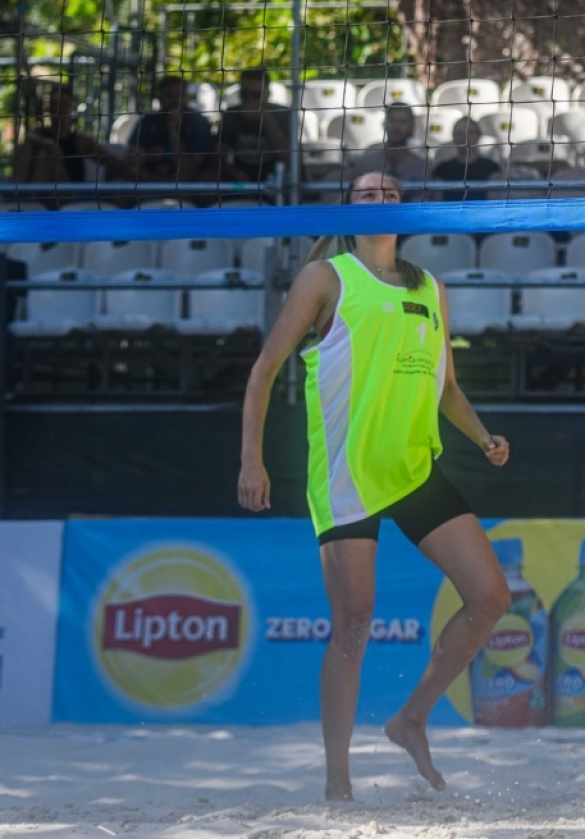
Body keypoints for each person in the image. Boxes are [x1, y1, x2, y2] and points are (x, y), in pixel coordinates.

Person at [237, 171, 513, 801]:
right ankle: (338, 782)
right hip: (345, 474)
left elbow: (445, 386)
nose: (382, 199)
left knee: (491, 597)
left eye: (392, 192)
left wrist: (483, 437)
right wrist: (251, 459)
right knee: (354, 625)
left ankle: (410, 719)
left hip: (413, 467)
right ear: (348, 209)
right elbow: (263, 370)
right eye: (368, 193)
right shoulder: (326, 278)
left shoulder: (430, 287)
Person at [12, 81, 124, 194]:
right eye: (56, 104)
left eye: (65, 105)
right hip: (40, 197)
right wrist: (48, 145)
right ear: (49, 108)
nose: (60, 110)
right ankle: (18, 196)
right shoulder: (38, 135)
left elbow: (113, 162)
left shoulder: (80, 141)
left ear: (71, 108)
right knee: (37, 152)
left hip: (71, 196)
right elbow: (30, 139)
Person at [129, 75, 217, 189]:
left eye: (180, 96)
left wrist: (173, 131)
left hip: (187, 186)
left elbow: (187, 169)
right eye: (169, 96)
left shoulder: (198, 123)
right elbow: (130, 162)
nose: (175, 101)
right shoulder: (148, 122)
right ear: (160, 98)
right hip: (149, 183)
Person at [217, 67, 293, 185]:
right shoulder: (232, 115)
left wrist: (266, 119)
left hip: (277, 179)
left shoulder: (283, 114)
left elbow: (288, 158)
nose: (249, 99)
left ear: (267, 95)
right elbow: (217, 157)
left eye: (256, 95)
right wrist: (233, 172)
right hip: (242, 182)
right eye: (244, 94)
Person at [347, 103, 433, 190]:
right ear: (384, 124)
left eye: (403, 122)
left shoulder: (422, 168)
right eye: (392, 121)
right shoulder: (365, 163)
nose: (397, 127)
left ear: (412, 127)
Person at [429, 116, 501, 201]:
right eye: (459, 133)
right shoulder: (442, 169)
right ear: (454, 138)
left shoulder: (491, 168)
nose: (465, 137)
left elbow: (492, 200)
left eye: (470, 132)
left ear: (478, 136)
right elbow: (438, 201)